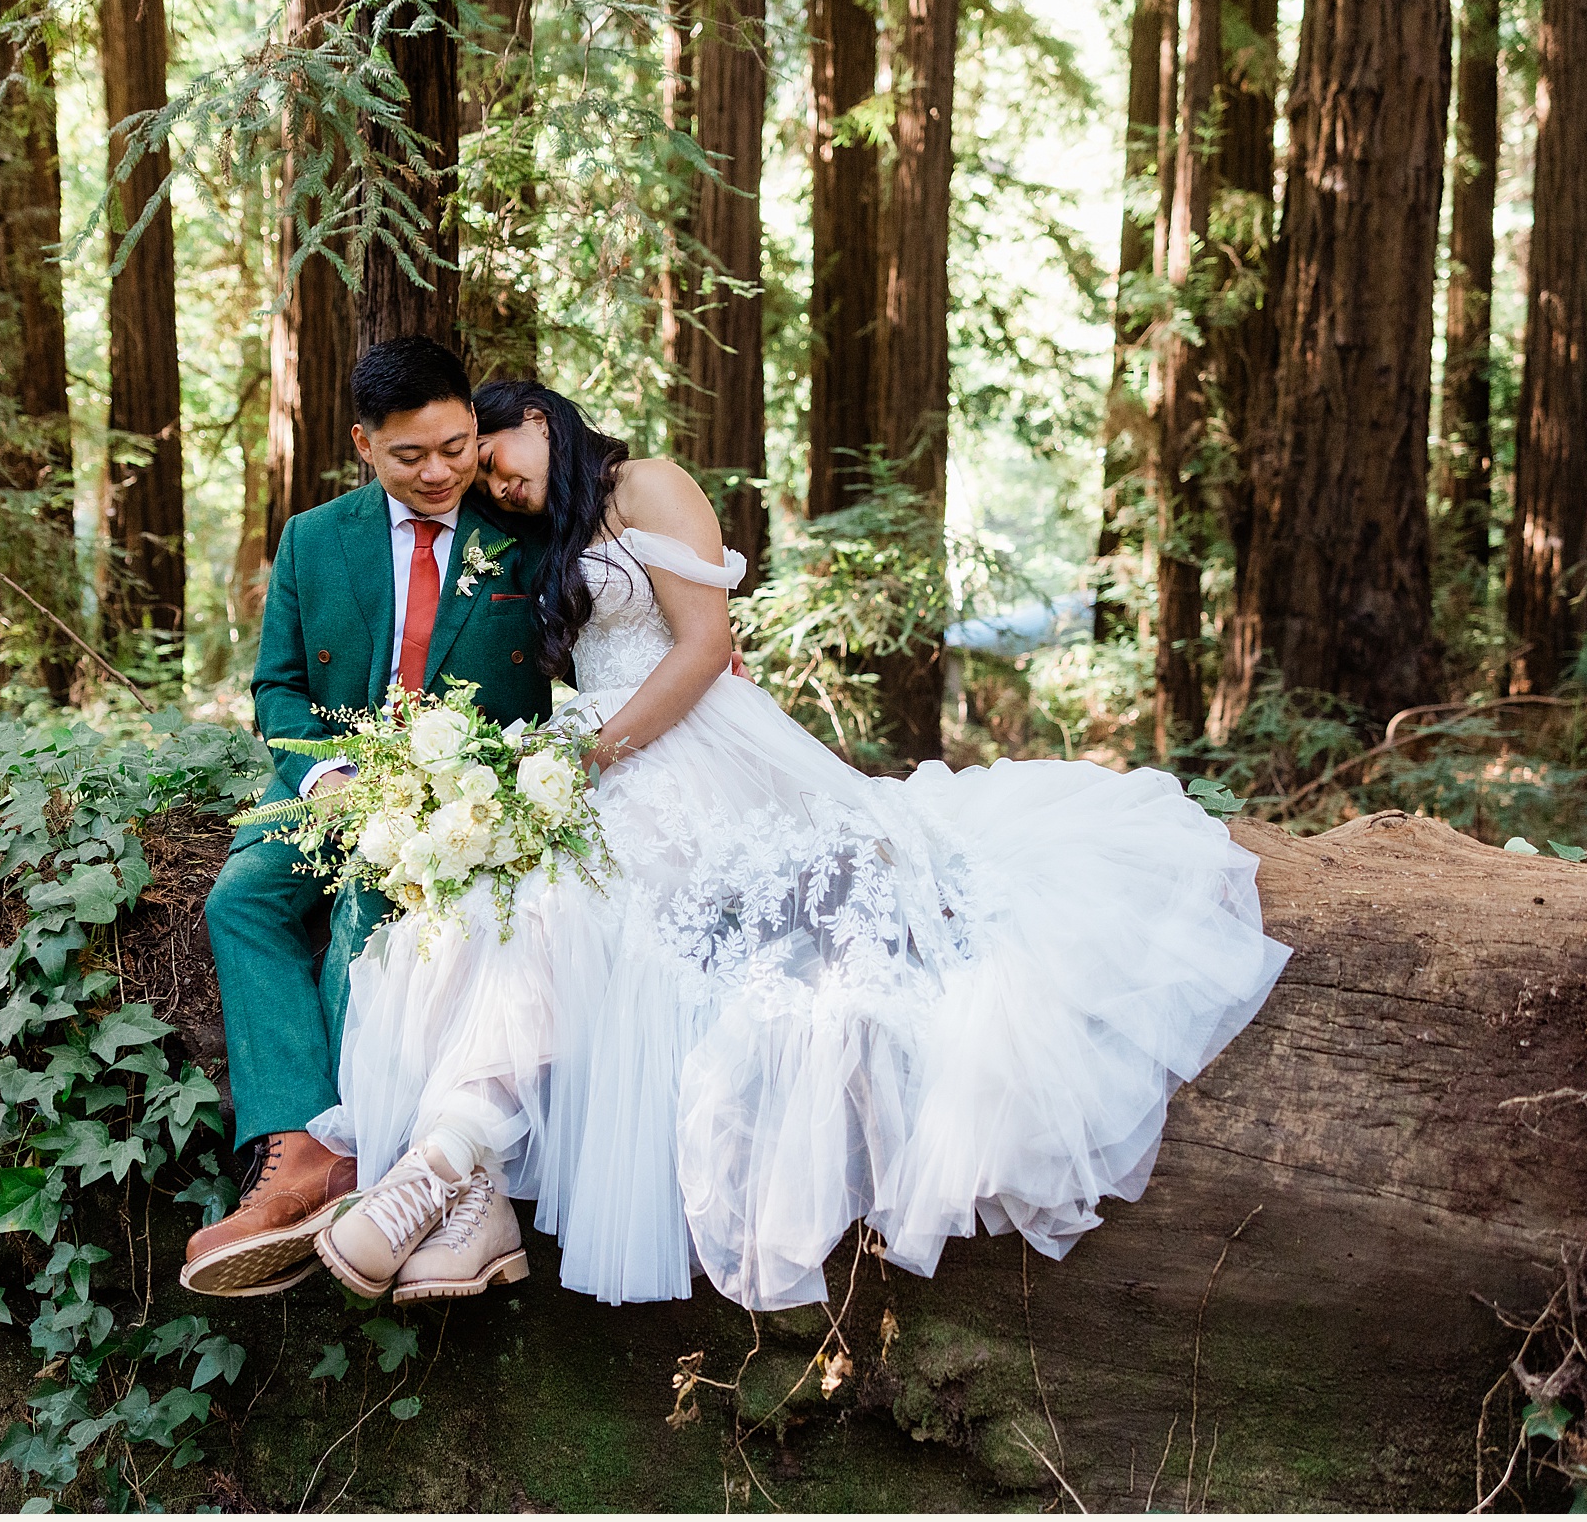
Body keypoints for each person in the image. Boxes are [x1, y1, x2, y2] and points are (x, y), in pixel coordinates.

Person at [312, 381, 1293, 1310]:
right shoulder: (550, 533)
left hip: (686, 746)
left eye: (491, 458)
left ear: (535, 416)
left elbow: (701, 645)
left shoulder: (645, 481)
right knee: (493, 906)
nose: (494, 484)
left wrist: (594, 756)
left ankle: (443, 1166)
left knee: (574, 901)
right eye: (479, 482)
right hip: (605, 758)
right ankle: (467, 1178)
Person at [179, 339, 552, 1297]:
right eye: (408, 457)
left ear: (475, 428)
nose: (438, 473)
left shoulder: (525, 534)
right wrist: (327, 777)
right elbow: (279, 689)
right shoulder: (313, 538)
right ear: (362, 445)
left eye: (456, 447)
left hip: (464, 804)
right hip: (335, 786)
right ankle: (299, 1146)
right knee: (242, 901)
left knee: (365, 910)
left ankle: (362, 1155)